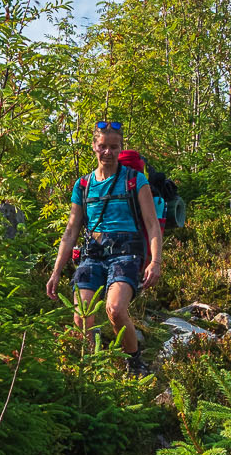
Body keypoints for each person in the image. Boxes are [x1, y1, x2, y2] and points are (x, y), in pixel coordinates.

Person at [46, 119, 163, 372]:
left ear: (121, 148)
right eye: (103, 146)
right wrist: (56, 272)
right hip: (92, 255)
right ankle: (91, 367)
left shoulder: (135, 181)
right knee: (81, 315)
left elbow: (152, 225)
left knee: (115, 309)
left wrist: (155, 262)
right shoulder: (83, 185)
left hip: (127, 255)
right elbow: (70, 232)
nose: (108, 152)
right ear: (94, 147)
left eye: (114, 146)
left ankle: (134, 362)